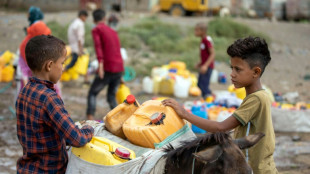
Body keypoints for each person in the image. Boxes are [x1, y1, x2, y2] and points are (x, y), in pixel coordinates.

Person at [162, 37, 278, 174]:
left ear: (256, 72)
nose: (232, 74)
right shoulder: (258, 96)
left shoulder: (256, 99)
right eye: (232, 68)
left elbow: (220, 127)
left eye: (238, 69)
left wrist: (185, 114)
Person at [16, 35, 94, 173]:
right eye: (62, 63)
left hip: (27, 169)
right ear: (49, 65)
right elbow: (77, 138)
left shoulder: (24, 92)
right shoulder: (49, 98)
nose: (63, 68)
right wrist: (89, 129)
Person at [86, 9, 124, 120]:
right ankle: (119, 119)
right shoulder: (113, 31)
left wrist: (101, 67)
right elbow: (118, 50)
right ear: (104, 19)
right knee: (111, 96)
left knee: (92, 93)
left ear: (93, 20)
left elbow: (98, 48)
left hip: (108, 67)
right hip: (118, 67)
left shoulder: (97, 29)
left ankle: (90, 120)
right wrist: (121, 74)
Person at [18, 6, 62, 95]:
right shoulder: (38, 26)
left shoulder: (37, 27)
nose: (27, 16)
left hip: (31, 58)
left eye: (29, 14)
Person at [195, 22, 215, 99]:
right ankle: (206, 98)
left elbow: (212, 54)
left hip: (208, 67)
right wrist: (200, 64)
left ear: (203, 31)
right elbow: (205, 55)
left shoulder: (207, 40)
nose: (195, 32)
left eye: (197, 30)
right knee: (200, 84)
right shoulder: (202, 40)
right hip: (204, 66)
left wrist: (205, 66)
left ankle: (209, 98)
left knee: (204, 85)